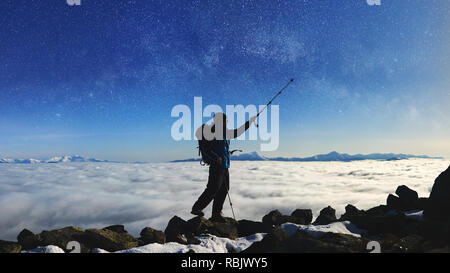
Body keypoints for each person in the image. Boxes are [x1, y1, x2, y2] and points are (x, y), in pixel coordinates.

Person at [191, 112, 257, 222]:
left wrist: (249, 122)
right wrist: (215, 157)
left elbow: (236, 133)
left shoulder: (224, 132)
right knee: (213, 188)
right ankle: (197, 208)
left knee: (223, 189)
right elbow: (207, 149)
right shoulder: (213, 132)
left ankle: (216, 213)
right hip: (217, 165)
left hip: (225, 165)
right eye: (225, 121)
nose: (226, 122)